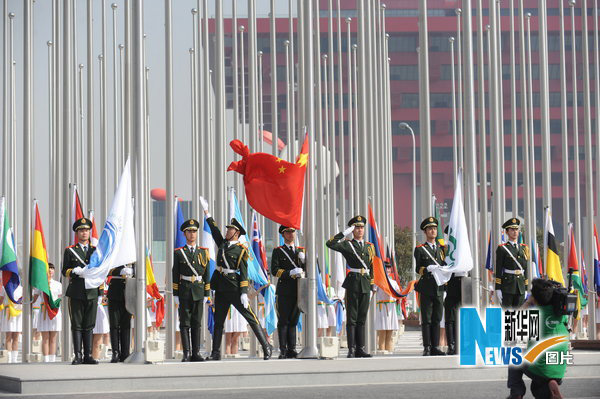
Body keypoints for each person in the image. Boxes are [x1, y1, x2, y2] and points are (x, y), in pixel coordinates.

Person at [201, 196, 273, 361]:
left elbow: (244, 272)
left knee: (251, 317)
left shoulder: (241, 250)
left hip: (234, 288)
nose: (227, 231)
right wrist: (207, 213)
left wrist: (243, 292)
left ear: (237, 233)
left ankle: (266, 346)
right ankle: (216, 353)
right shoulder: (223, 244)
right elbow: (214, 231)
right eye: (227, 229)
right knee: (218, 321)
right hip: (221, 288)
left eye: (230, 230)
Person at [506, 278, 568, 399]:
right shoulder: (560, 314)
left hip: (540, 368)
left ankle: (516, 393)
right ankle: (551, 382)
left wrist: (528, 302)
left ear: (534, 297)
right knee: (540, 390)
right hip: (558, 369)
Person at [326, 215, 375, 358]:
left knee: (362, 318)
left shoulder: (369, 247)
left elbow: (372, 266)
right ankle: (351, 348)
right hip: (353, 282)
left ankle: (361, 348)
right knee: (352, 318)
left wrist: (372, 284)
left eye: (361, 227)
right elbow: (330, 243)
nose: (360, 230)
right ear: (353, 230)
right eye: (357, 227)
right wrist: (344, 233)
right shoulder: (348, 245)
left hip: (365, 282)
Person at [62, 217, 99, 365]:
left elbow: (100, 271)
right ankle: (77, 355)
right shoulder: (70, 251)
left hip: (92, 291)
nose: (84, 233)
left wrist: (101, 292)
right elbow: (64, 271)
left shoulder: (95, 251)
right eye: (81, 230)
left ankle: (88, 355)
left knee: (89, 324)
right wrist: (73, 271)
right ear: (77, 233)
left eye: (87, 230)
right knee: (77, 323)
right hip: (76, 290)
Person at [173, 219, 211, 362]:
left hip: (199, 290)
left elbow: (207, 274)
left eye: (194, 231)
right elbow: (175, 273)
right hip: (184, 289)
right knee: (184, 323)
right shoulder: (179, 253)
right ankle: (187, 353)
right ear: (184, 234)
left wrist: (207, 293)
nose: (192, 234)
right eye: (189, 231)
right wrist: (175, 294)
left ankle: (196, 353)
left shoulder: (203, 252)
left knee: (197, 322)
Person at [413, 217, 446, 356]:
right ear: (425, 232)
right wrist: (427, 269)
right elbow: (418, 269)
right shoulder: (420, 249)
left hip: (438, 287)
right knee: (426, 317)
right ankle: (427, 347)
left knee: (437, 317)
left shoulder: (441, 249)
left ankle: (435, 346)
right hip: (426, 286)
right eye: (430, 229)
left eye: (434, 229)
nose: (433, 231)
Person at [271, 225, 305, 359]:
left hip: (298, 289)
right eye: (288, 232)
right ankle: (283, 350)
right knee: (284, 320)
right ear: (283, 235)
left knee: (294, 320)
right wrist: (289, 272)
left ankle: (292, 349)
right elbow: (275, 270)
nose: (291, 234)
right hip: (284, 289)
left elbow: (308, 270)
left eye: (292, 231)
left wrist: (306, 261)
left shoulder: (301, 250)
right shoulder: (278, 251)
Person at [495, 218, 529, 308]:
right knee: (507, 314)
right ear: (507, 232)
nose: (515, 232)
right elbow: (498, 269)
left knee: (519, 314)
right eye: (512, 229)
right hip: (507, 286)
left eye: (516, 229)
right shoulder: (502, 248)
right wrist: (498, 288)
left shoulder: (524, 248)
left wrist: (526, 287)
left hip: (520, 286)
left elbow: (526, 269)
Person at [34, 263, 62, 362]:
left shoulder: (58, 284)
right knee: (45, 337)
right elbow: (34, 298)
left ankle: (52, 359)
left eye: (52, 268)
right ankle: (46, 359)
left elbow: (59, 298)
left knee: (53, 338)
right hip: (44, 312)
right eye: (48, 268)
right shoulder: (41, 284)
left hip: (55, 311)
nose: (50, 270)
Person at [107, 264, 133, 362]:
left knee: (126, 325)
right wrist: (120, 271)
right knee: (114, 324)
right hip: (115, 291)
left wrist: (133, 271)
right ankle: (115, 353)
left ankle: (125, 353)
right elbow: (107, 269)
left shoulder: (133, 255)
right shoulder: (115, 252)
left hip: (129, 291)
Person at [375, 263, 399, 353]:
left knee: (390, 329)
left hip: (391, 306)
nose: (388, 270)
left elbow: (398, 293)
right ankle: (381, 349)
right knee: (382, 329)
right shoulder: (378, 281)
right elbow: (373, 291)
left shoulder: (393, 282)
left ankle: (389, 348)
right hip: (382, 306)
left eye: (389, 268)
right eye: (386, 268)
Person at [0, 284, 22, 363]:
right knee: (8, 336)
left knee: (16, 337)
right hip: (8, 312)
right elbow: (1, 300)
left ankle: (14, 359)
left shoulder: (21, 288)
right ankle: (8, 358)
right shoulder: (5, 287)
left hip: (18, 314)